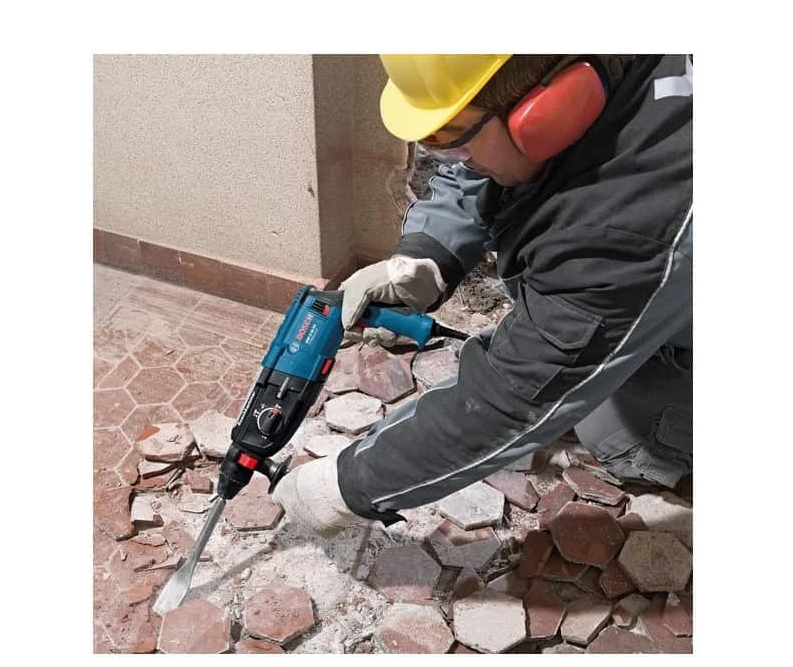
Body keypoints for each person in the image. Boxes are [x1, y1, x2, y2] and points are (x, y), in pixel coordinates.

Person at [272, 54, 693, 539]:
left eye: (455, 140)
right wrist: (428, 255)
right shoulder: (601, 67)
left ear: (548, 112)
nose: (453, 159)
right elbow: (478, 169)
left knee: (616, 428)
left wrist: (345, 487)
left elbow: (508, 403)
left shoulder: (629, 228)